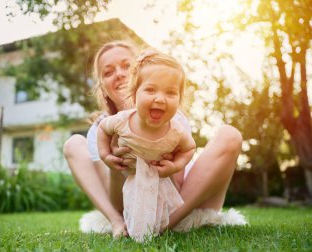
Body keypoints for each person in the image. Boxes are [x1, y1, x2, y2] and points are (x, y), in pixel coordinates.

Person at [63, 40, 243, 238]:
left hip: (182, 201)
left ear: (138, 75)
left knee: (230, 135)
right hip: (130, 202)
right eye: (108, 72)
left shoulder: (172, 119)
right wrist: (115, 166)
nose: (119, 74)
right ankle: (116, 221)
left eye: (126, 66)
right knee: (73, 144)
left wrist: (168, 165)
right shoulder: (102, 130)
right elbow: (117, 201)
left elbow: (175, 188)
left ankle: (168, 224)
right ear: (103, 88)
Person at [97, 50, 196, 241]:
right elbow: (103, 128)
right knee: (135, 203)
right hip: (131, 174)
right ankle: (132, 226)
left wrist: (175, 165)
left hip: (160, 177)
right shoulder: (122, 121)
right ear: (134, 95)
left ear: (180, 100)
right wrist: (105, 154)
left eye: (170, 92)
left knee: (159, 204)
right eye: (151, 90)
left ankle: (161, 226)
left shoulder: (176, 130)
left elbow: (189, 148)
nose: (160, 98)